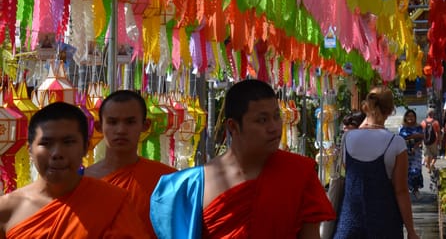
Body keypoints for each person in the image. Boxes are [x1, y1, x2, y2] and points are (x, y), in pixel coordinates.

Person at [150, 79, 335, 238]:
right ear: (233, 126)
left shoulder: (298, 173)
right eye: (262, 120)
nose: (274, 127)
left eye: (276, 117)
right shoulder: (192, 186)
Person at [0, 101, 149, 238]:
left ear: (85, 148)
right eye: (46, 143)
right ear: (30, 150)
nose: (57, 153)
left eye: (68, 142)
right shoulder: (7, 208)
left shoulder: (113, 203)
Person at [85, 90, 176, 238]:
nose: (121, 130)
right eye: (112, 122)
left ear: (145, 125)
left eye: (130, 122)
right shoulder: (82, 181)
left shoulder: (167, 179)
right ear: (99, 127)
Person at [332, 86, 420, 239]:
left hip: (350, 223)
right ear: (391, 109)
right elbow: (401, 191)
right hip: (385, 224)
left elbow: (352, 174)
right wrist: (411, 230)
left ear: (366, 106)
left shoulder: (347, 138)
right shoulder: (396, 143)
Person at [397, 109, 424, 199]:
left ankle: (415, 189)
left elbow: (421, 138)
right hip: (404, 151)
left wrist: (414, 146)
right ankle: (405, 191)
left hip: (415, 152)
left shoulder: (419, 127)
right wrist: (414, 136)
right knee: (405, 172)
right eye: (408, 116)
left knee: (415, 171)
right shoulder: (402, 127)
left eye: (412, 116)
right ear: (405, 117)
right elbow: (401, 138)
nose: (410, 118)